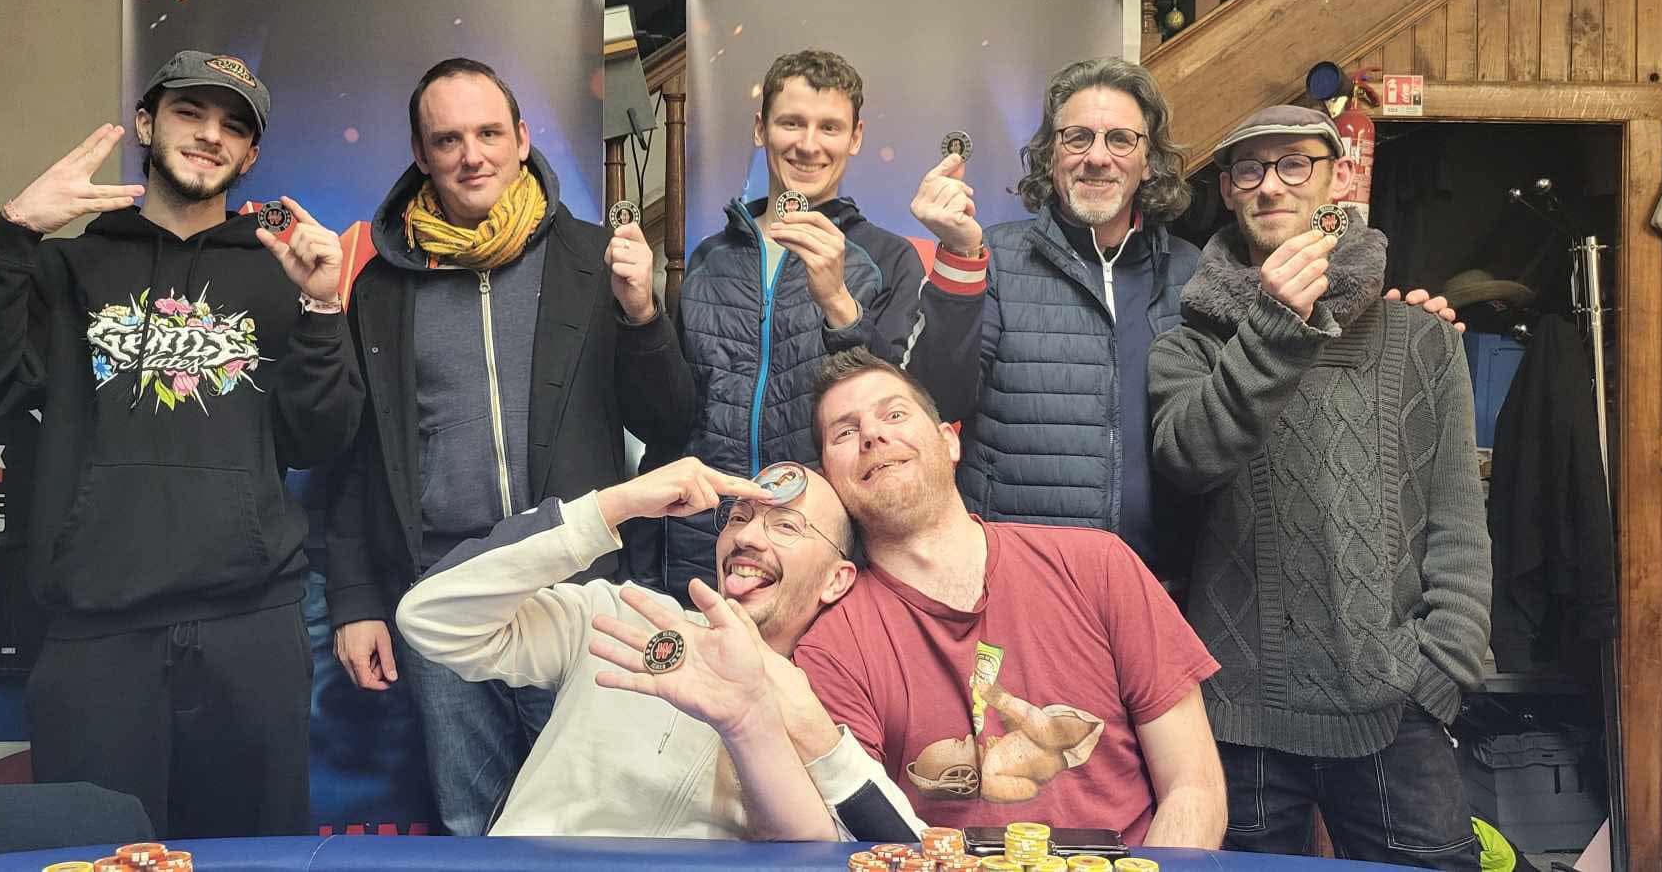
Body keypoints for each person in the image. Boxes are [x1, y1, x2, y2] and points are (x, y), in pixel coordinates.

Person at [0, 50, 363, 837]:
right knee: (94, 854)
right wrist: (14, 232)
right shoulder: (65, 268)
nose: (210, 135)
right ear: (146, 123)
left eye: (233, 126)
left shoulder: (280, 275)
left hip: (250, 625)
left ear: (250, 156)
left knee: (252, 858)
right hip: (96, 632)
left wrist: (324, 313)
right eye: (190, 112)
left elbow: (317, 437)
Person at [320, 57, 695, 836]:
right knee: (471, 825)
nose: (472, 155)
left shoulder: (593, 258)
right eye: (448, 139)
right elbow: (359, 456)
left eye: (490, 133)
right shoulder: (381, 287)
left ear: (522, 139)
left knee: (597, 823)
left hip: (577, 594)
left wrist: (642, 315)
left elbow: (669, 421)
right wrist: (355, 600)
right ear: (421, 154)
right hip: (446, 597)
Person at [907, 58, 1456, 572]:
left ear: (1148, 162)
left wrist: (1384, 325)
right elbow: (935, 402)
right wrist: (958, 259)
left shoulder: (1196, 273)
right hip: (1022, 578)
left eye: (1120, 139)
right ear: (1052, 156)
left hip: (1165, 586)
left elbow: (1271, 381)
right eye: (1077, 137)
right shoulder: (994, 258)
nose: (1097, 157)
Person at [1147, 105, 1492, 869]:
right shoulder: (1189, 345)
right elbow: (1190, 459)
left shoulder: (1422, 338)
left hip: (1396, 708)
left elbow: (1459, 524)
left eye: (1294, 163)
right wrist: (1275, 323)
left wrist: (1440, 673)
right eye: (1249, 169)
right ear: (1228, 192)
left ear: (1336, 178)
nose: (1271, 185)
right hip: (1239, 720)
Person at [794, 348, 1229, 847]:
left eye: (893, 414)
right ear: (829, 478)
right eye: (845, 433)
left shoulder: (1099, 567)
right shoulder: (831, 649)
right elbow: (862, 842)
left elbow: (1193, 786)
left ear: (949, 441)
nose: (872, 435)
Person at [392, 457, 921, 840]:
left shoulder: (822, 702)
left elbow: (902, 848)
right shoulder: (622, 615)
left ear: (836, 579)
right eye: (739, 517)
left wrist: (773, 721)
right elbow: (430, 618)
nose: (748, 537)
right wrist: (613, 505)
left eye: (786, 526)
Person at [660, 49, 924, 601]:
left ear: (855, 137)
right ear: (761, 129)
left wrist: (838, 304)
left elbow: (897, 411)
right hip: (704, 542)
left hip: (822, 552)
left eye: (829, 127)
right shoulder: (709, 257)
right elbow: (674, 416)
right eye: (791, 123)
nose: (808, 144)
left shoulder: (889, 258)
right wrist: (641, 316)